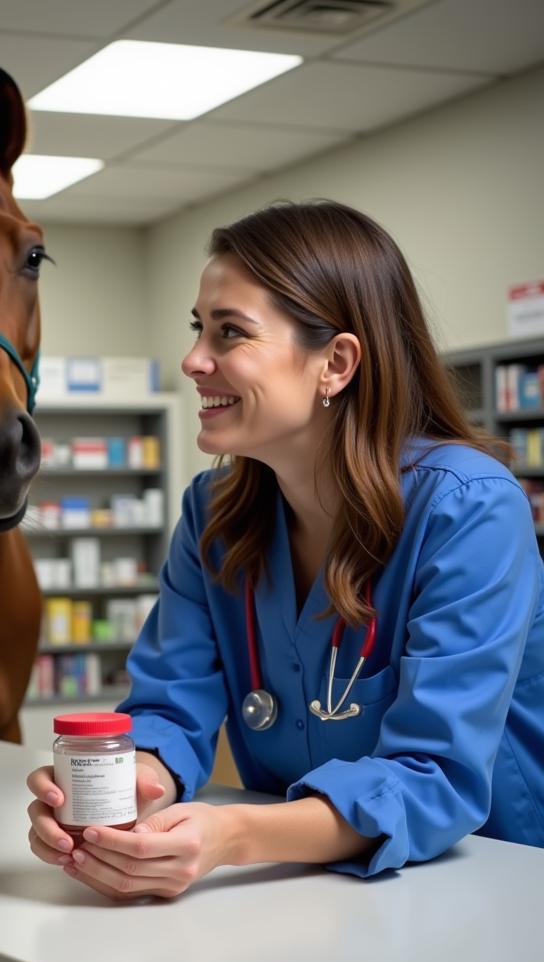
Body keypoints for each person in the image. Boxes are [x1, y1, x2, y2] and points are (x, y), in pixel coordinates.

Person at [27, 199, 544, 898]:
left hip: (478, 882)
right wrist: (119, 788)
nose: (192, 360)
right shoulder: (212, 516)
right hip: (292, 886)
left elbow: (434, 774)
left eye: (230, 333)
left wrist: (233, 835)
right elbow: (170, 709)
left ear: (335, 362)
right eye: (198, 329)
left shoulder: (469, 508)